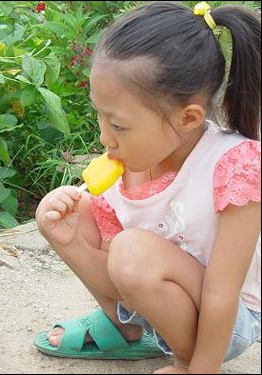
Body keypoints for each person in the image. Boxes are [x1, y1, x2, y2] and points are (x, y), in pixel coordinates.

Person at [34, 1, 261, 374]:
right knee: (79, 216)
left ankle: (186, 361)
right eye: (99, 115)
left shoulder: (235, 166)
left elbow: (222, 293)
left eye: (119, 125)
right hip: (163, 299)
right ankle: (126, 328)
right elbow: (116, 280)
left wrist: (201, 367)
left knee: (130, 250)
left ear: (187, 118)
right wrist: (67, 239)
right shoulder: (126, 170)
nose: (105, 138)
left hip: (228, 321)